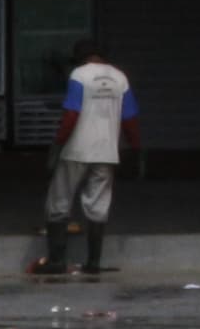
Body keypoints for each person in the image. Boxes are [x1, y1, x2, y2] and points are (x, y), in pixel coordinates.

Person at [37, 38, 138, 278]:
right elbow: (130, 118)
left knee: (59, 201)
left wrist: (58, 142)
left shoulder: (79, 75)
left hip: (76, 150)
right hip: (107, 151)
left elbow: (72, 113)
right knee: (98, 204)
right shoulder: (120, 78)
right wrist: (135, 148)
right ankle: (93, 262)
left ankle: (57, 261)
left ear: (81, 57)